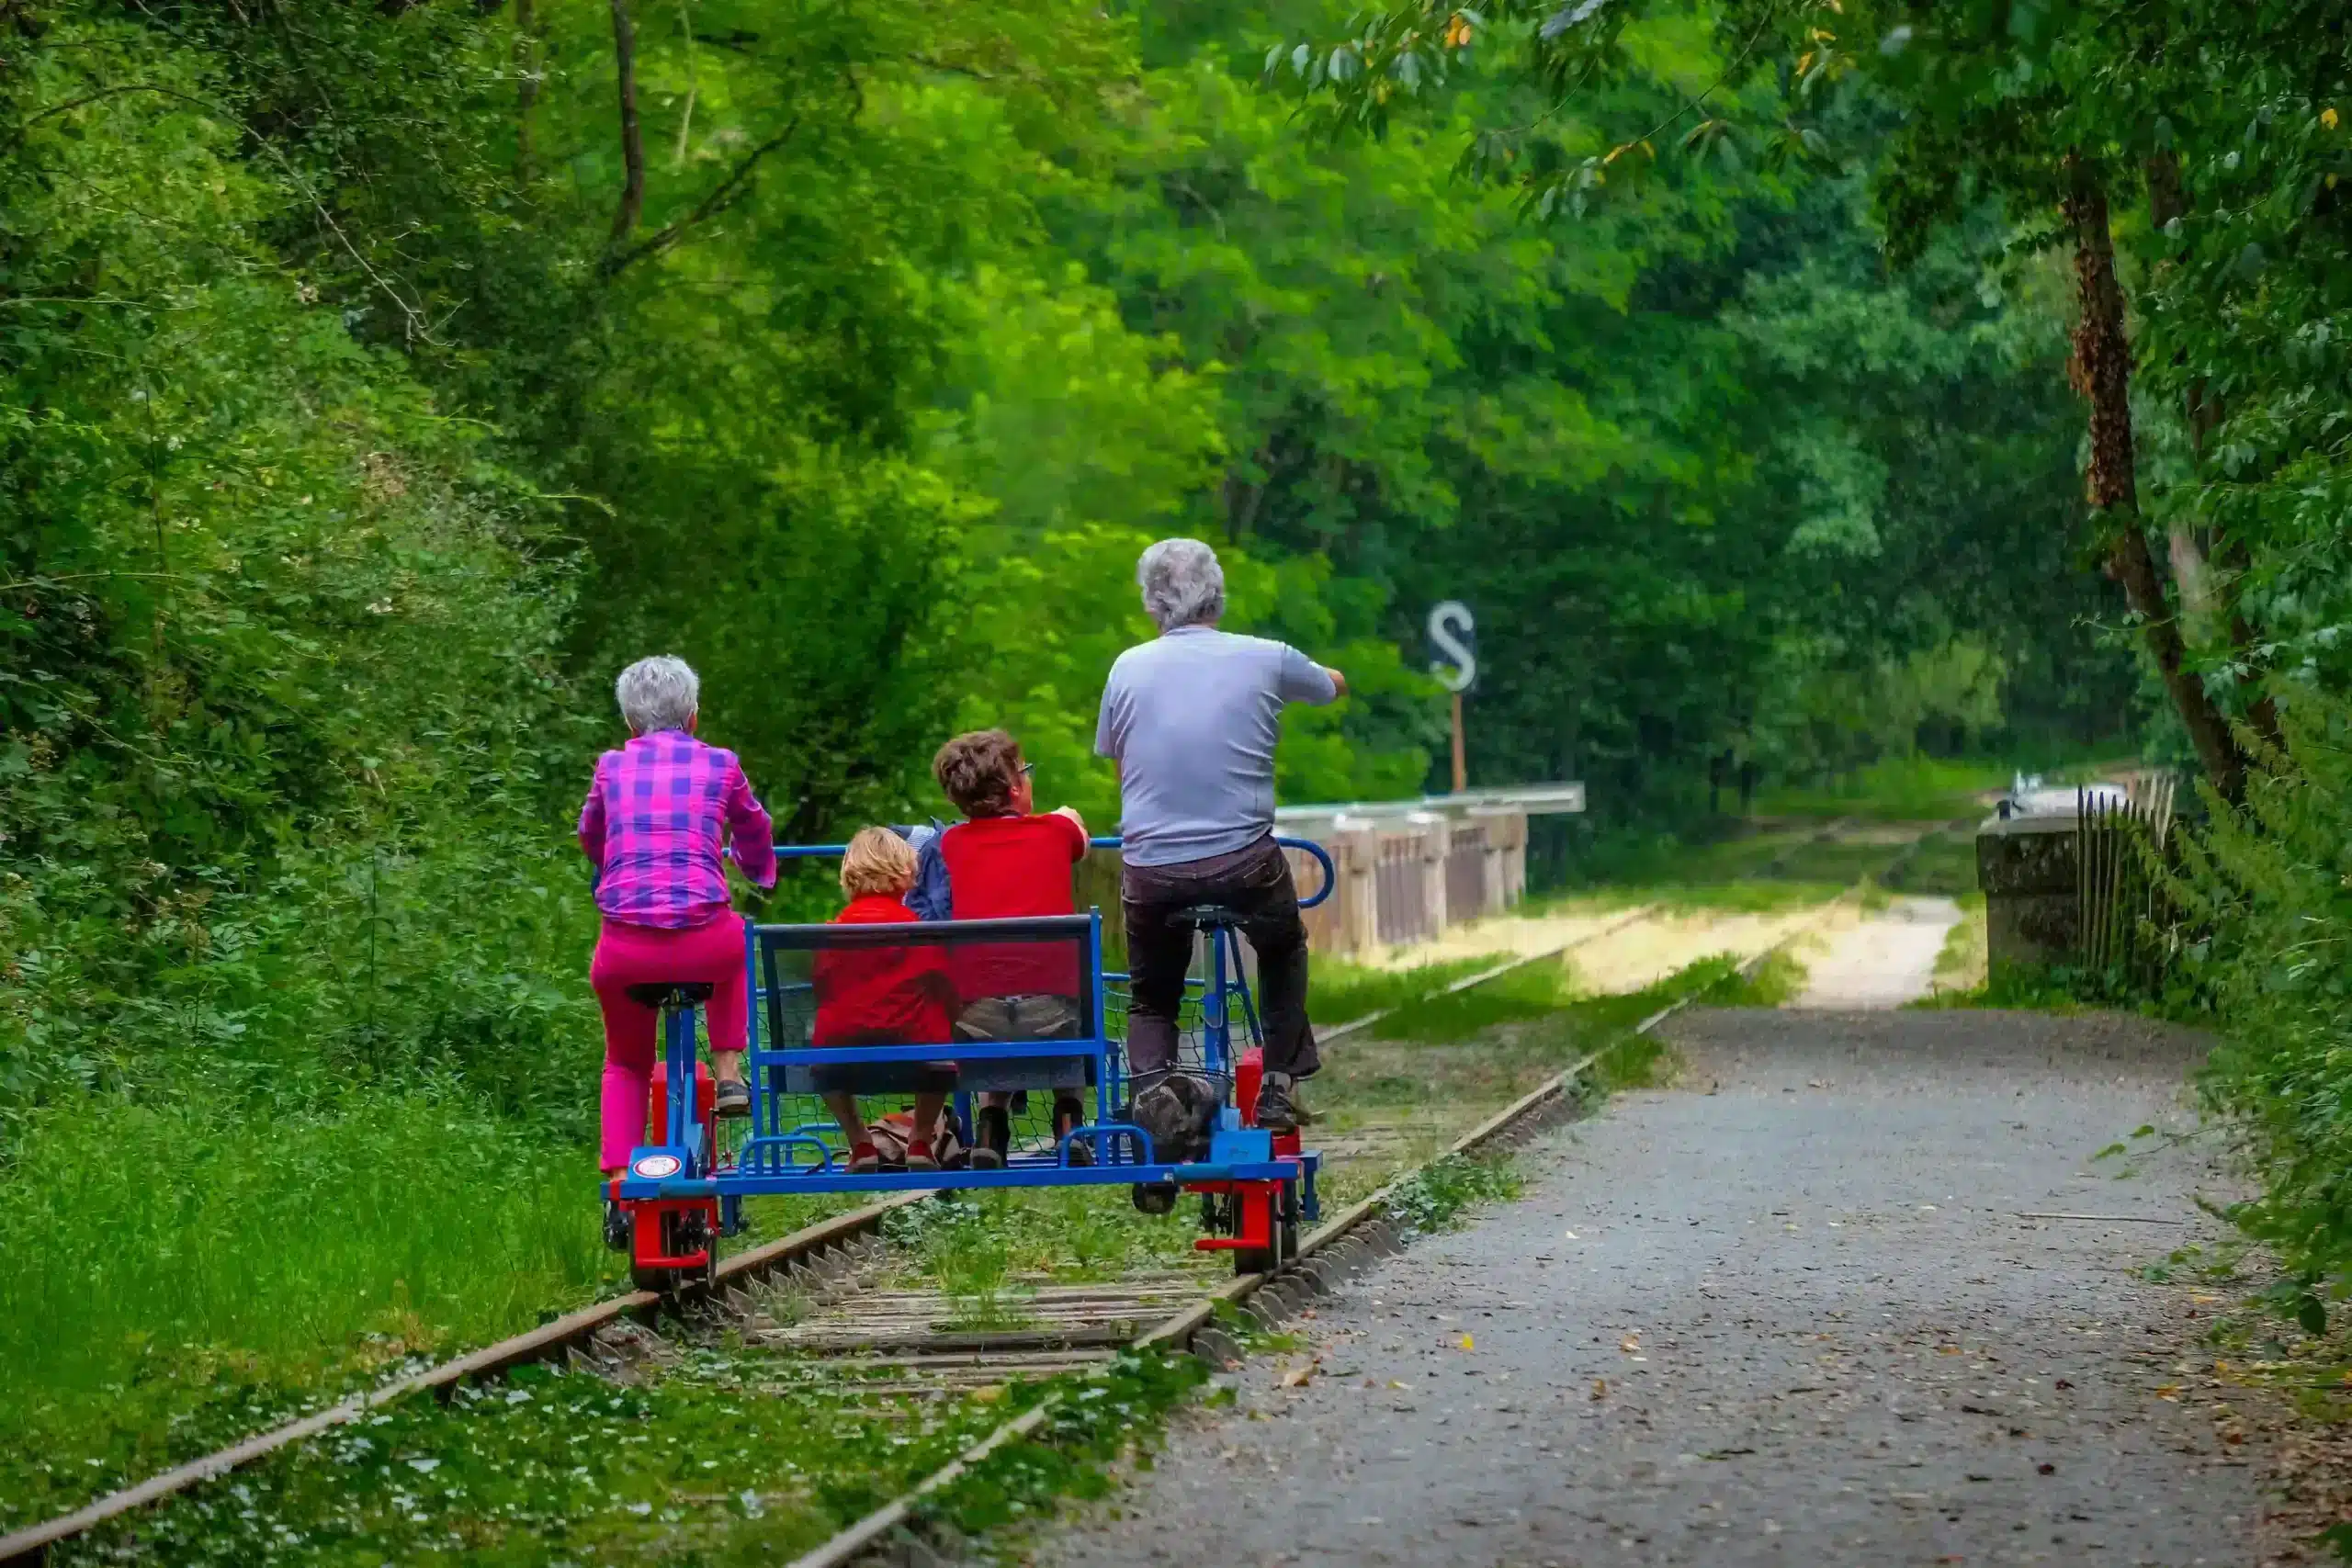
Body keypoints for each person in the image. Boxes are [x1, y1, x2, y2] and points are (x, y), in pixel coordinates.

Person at [1096, 538, 1345, 1161]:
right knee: (1283, 945)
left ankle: (1153, 1093)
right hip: (1244, 862)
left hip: (1152, 870)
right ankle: (1280, 1084)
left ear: (1154, 605)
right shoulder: (1267, 656)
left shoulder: (1126, 667)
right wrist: (1333, 678)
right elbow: (1327, 688)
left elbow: (1122, 763)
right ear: (1218, 593)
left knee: (1154, 993)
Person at [579, 656, 776, 1178]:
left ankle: (621, 1182)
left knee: (624, 1061)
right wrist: (753, 868)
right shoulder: (721, 764)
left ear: (629, 723)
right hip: (703, 941)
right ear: (693, 716)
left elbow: (590, 834)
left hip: (625, 951)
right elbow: (754, 826)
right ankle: (730, 1073)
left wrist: (609, 867)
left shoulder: (610, 767)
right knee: (735, 944)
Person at [930, 729, 1091, 1168]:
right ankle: (1070, 1123)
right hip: (1053, 1019)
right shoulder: (1056, 831)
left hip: (978, 1021)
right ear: (1016, 787)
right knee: (1062, 1002)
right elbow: (1079, 835)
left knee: (991, 1006)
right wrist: (1065, 815)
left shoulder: (952, 843)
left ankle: (990, 1126)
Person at [809, 827, 959, 1174]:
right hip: (918, 1057)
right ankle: (921, 1140)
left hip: (840, 1060)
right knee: (939, 1043)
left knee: (828, 1036)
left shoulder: (833, 930)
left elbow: (820, 983)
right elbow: (942, 983)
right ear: (906, 873)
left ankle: (860, 1143)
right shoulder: (918, 929)